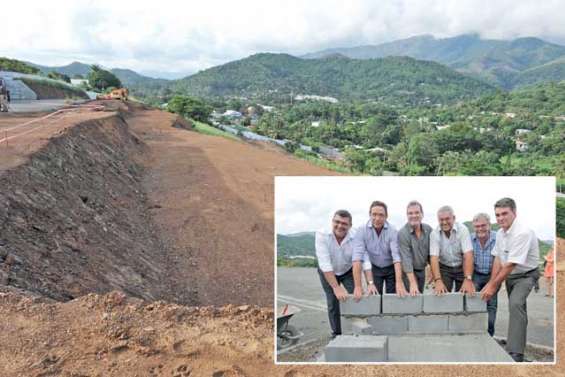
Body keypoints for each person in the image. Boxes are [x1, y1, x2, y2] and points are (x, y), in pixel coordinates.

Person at [480, 198, 540, 362]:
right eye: (497, 215)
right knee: (518, 309)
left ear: (515, 212)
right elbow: (498, 259)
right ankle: (517, 344)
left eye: (504, 213)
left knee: (515, 304)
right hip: (511, 276)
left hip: (527, 274)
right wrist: (491, 283)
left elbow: (511, 264)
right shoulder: (499, 233)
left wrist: (493, 286)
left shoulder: (523, 232)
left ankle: (515, 354)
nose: (500, 218)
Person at [315, 209, 373, 338]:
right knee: (333, 303)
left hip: (347, 271)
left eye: (344, 224)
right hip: (328, 272)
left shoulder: (356, 236)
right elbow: (325, 264)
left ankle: (362, 328)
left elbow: (364, 260)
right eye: (337, 222)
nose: (340, 226)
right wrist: (336, 287)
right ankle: (336, 333)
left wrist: (369, 283)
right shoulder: (321, 234)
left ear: (350, 226)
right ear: (332, 221)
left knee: (358, 297)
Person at [352, 200, 408, 299]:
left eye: (381, 215)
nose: (377, 218)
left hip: (391, 268)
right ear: (369, 215)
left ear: (386, 216)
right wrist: (360, 285)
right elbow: (359, 258)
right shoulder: (361, 230)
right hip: (374, 267)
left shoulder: (393, 230)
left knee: (393, 297)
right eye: (374, 214)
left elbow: (396, 257)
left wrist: (399, 282)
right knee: (375, 296)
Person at [429, 206, 476, 295]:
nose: (444, 222)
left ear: (453, 218)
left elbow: (468, 254)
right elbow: (434, 258)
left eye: (447, 219)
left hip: (461, 267)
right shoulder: (434, 234)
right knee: (442, 294)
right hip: (445, 268)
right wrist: (438, 280)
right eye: (441, 220)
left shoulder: (463, 230)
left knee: (463, 295)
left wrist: (468, 278)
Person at [471, 213, 498, 336]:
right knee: (472, 302)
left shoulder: (497, 238)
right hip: (476, 274)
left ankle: (489, 334)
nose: (480, 229)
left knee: (491, 305)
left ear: (489, 225)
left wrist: (494, 282)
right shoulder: (470, 239)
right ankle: (473, 332)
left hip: (492, 275)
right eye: (477, 226)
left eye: (483, 225)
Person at [398, 200, 433, 295]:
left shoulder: (429, 229)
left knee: (420, 294)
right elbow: (406, 260)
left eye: (417, 212)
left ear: (422, 214)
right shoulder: (402, 233)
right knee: (411, 296)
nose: (414, 216)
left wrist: (432, 270)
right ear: (407, 215)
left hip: (422, 270)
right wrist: (413, 283)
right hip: (408, 272)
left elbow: (432, 253)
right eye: (410, 213)